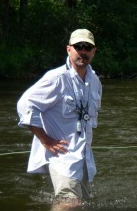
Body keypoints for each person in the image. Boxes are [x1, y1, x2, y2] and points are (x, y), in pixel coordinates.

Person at [17, 29, 102, 206]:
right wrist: (45, 139)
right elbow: (25, 104)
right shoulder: (56, 78)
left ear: (94, 51)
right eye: (79, 47)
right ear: (69, 49)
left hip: (84, 159)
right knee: (68, 203)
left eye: (88, 47)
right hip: (62, 158)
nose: (83, 51)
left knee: (83, 205)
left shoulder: (95, 81)